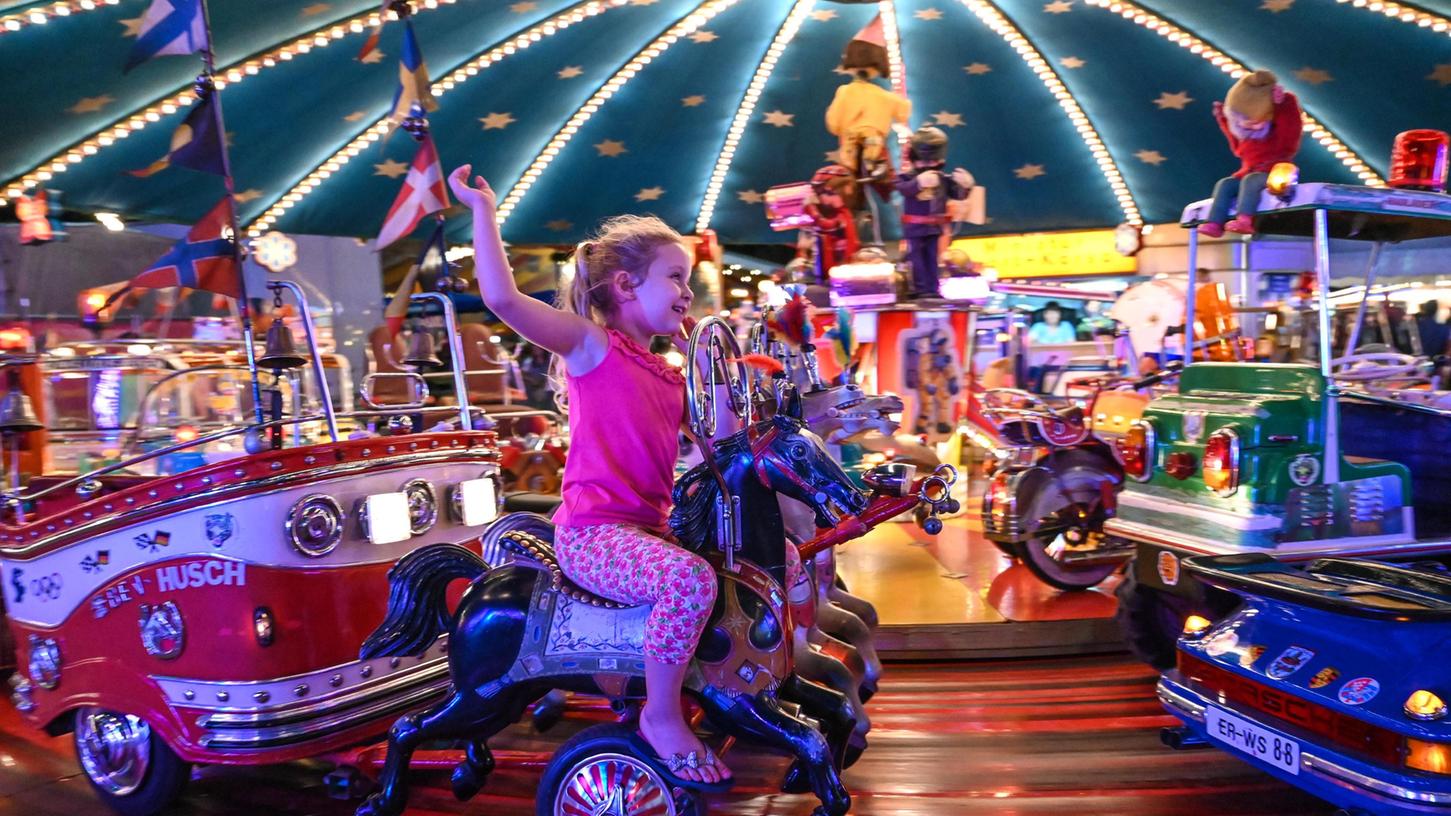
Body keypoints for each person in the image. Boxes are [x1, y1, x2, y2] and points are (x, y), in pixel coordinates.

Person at [448, 165, 731, 784]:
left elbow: (722, 444)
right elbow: (501, 300)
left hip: (647, 531)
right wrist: (483, 212)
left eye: (689, 280)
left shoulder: (670, 373)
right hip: (595, 534)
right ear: (626, 285)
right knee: (688, 583)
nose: (688, 292)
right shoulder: (591, 346)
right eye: (676, 278)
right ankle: (661, 715)